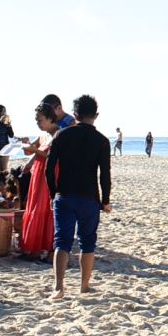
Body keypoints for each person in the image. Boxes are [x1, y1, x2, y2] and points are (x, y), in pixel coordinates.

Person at [47, 93, 112, 299]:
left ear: (74, 114)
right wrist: (106, 200)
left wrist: (52, 192)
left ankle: (59, 287)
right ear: (96, 115)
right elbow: (105, 174)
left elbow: (49, 169)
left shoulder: (61, 136)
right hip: (89, 197)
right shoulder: (102, 141)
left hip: (64, 194)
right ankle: (84, 286)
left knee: (62, 241)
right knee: (87, 241)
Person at [19, 104, 59, 259]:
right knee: (35, 205)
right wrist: (26, 144)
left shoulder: (58, 133)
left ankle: (46, 247)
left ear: (50, 118)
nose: (38, 123)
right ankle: (34, 248)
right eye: (36, 120)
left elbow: (52, 156)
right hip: (38, 173)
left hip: (49, 173)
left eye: (40, 120)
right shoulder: (44, 134)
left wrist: (34, 151)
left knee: (44, 207)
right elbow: (30, 150)